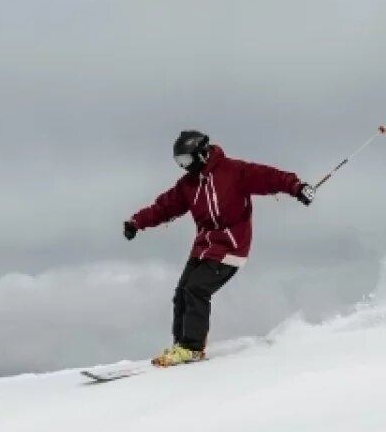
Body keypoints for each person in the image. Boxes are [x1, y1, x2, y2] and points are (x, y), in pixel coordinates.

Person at [124, 130, 315, 366]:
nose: (184, 167)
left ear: (201, 154)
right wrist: (136, 222)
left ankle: (192, 347)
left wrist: (297, 187)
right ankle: (181, 345)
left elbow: (270, 177)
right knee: (182, 293)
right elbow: (164, 207)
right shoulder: (188, 185)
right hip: (204, 247)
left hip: (231, 247)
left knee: (196, 289)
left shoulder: (234, 172)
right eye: (179, 162)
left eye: (186, 160)